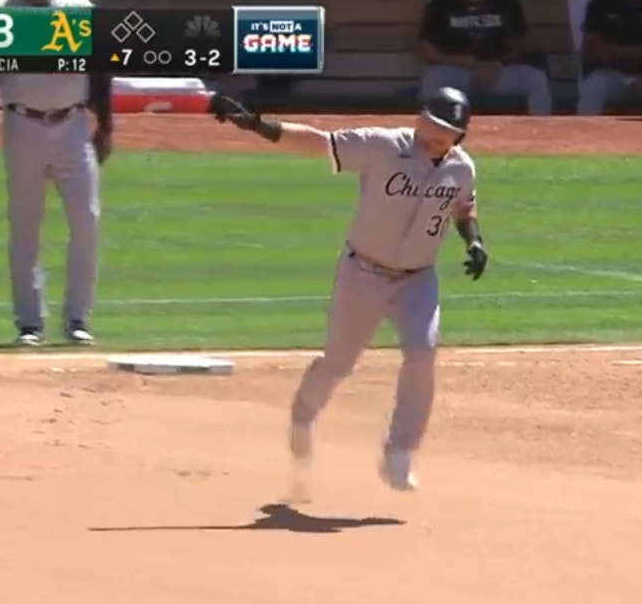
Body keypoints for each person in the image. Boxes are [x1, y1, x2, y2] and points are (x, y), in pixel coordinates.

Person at [210, 88, 491, 499]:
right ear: (419, 118)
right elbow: (320, 143)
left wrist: (474, 242)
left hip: (418, 278)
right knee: (339, 362)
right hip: (363, 272)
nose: (437, 136)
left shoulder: (462, 169)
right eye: (433, 125)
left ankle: (400, 452)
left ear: (459, 137)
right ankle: (303, 417)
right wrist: (261, 126)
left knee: (422, 352)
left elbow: (464, 208)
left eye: (448, 132)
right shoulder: (381, 145)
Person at [0, 0, 112, 346]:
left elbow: (99, 69)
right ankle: (30, 323)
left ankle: (78, 319)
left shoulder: (78, 9)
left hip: (73, 122)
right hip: (22, 123)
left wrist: (106, 126)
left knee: (87, 221)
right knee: (25, 227)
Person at [417, 0, 552, 115]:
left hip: (498, 72)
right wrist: (460, 60)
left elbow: (519, 43)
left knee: (536, 79)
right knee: (433, 79)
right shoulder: (441, 2)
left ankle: (537, 134)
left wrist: (498, 64)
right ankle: (437, 134)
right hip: (458, 71)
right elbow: (428, 50)